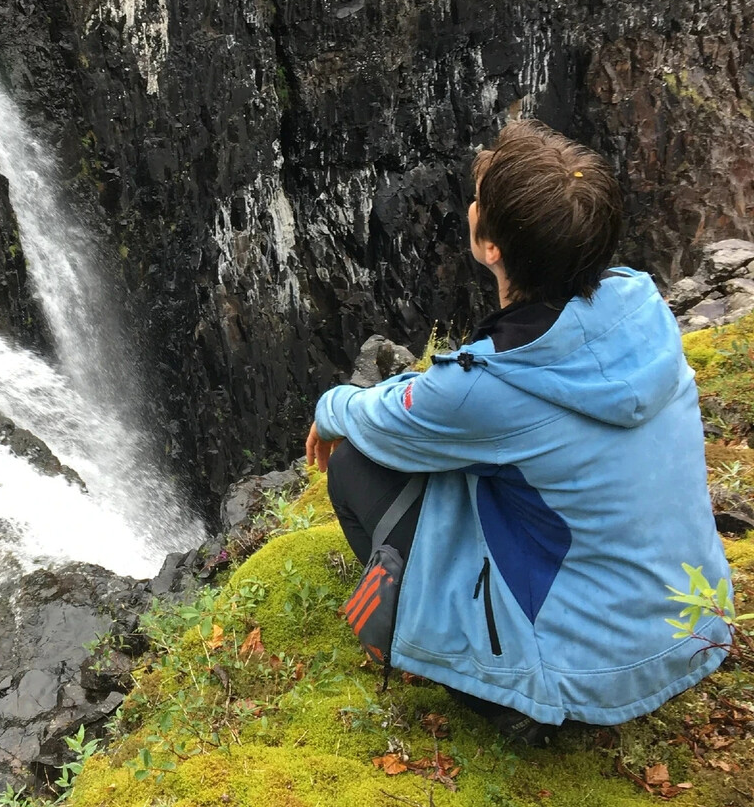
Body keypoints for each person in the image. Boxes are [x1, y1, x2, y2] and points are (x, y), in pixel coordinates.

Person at [305, 120, 732, 742]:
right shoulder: (642, 306)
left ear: (491, 246)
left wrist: (330, 406)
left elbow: (385, 419)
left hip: (578, 679)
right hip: (692, 628)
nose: (471, 206)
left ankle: (500, 695)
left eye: (478, 201)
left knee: (353, 464)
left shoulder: (485, 390)